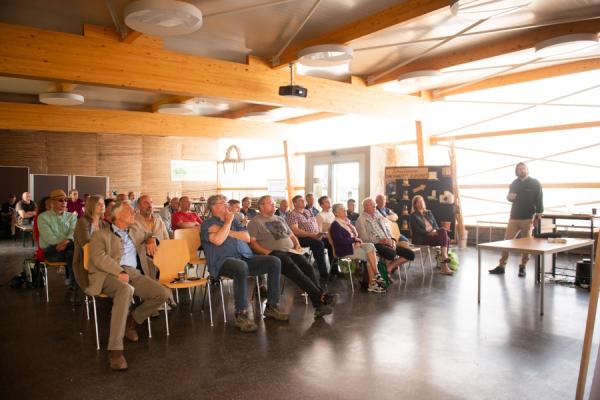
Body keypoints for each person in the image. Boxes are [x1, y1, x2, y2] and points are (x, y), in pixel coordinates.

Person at [87, 200, 171, 371]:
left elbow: (149, 234)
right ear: (117, 215)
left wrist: (152, 239)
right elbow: (98, 257)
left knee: (163, 294)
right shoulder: (100, 234)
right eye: (129, 211)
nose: (133, 213)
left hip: (133, 273)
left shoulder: (134, 230)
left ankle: (132, 321)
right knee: (125, 290)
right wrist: (119, 272)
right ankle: (115, 351)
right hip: (108, 274)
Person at [201, 194, 288, 333]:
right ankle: (241, 314)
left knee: (274, 261)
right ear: (213, 207)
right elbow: (217, 240)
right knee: (240, 267)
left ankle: (272, 306)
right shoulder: (207, 224)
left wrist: (227, 229)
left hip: (245, 257)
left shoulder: (235, 221)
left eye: (226, 202)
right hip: (223, 261)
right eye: (223, 203)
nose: (227, 205)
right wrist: (228, 223)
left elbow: (247, 238)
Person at [248, 195, 337, 318]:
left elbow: (291, 235)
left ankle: (319, 304)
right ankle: (322, 298)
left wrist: (297, 244)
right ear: (261, 206)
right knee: (295, 271)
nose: (274, 205)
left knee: (308, 267)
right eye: (270, 203)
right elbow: (252, 243)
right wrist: (267, 252)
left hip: (290, 250)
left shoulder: (279, 219)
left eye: (274, 203)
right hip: (274, 253)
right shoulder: (255, 222)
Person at [489, 162, 544, 277]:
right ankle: (501, 266)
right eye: (519, 169)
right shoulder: (514, 183)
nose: (522, 170)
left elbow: (539, 200)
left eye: (523, 168)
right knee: (506, 241)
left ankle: (523, 267)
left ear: (527, 170)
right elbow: (510, 197)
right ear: (516, 171)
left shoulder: (535, 183)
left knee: (526, 244)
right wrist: (509, 198)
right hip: (514, 217)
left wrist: (538, 217)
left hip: (528, 218)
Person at [330, 203, 386, 293]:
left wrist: (356, 239)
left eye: (345, 209)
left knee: (371, 246)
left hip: (353, 245)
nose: (345, 211)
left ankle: (376, 276)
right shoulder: (335, 225)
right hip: (344, 250)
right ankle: (373, 282)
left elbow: (356, 235)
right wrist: (354, 240)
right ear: (336, 213)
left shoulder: (346, 222)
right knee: (373, 257)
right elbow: (341, 241)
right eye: (342, 210)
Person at [356, 197, 415, 277]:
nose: (375, 207)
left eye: (374, 205)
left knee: (410, 254)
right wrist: (380, 241)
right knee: (391, 254)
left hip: (388, 241)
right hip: (375, 243)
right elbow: (364, 238)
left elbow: (387, 228)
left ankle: (389, 268)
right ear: (366, 206)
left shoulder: (377, 214)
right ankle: (384, 273)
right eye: (373, 205)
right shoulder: (361, 220)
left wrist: (393, 240)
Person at [38, 189, 78, 289]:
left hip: (68, 250)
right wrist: (68, 239)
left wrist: (67, 241)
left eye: (65, 200)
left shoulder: (71, 217)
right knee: (75, 252)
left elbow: (74, 232)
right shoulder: (42, 217)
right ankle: (74, 283)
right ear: (52, 202)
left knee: (71, 252)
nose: (64, 202)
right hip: (51, 250)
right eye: (60, 200)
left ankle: (73, 284)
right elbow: (50, 239)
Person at [72, 195, 109, 297]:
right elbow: (87, 244)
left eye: (103, 204)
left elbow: (111, 243)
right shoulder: (82, 222)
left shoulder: (105, 224)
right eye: (99, 204)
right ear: (91, 206)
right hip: (85, 263)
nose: (102, 206)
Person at [287, 195, 331, 278]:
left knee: (330, 242)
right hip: (301, 238)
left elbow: (315, 224)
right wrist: (311, 235)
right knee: (318, 244)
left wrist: (319, 233)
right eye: (301, 200)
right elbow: (295, 231)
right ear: (295, 203)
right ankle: (323, 272)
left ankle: (333, 270)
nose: (304, 201)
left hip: (315, 235)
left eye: (304, 200)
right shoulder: (292, 214)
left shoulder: (308, 211)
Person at [409, 195, 453, 276]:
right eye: (419, 201)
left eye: (422, 200)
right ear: (415, 205)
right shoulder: (413, 216)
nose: (421, 202)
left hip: (433, 234)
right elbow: (417, 230)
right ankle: (444, 262)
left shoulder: (428, 212)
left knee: (444, 234)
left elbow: (436, 225)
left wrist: (435, 231)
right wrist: (429, 233)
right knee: (446, 237)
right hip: (422, 238)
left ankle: (444, 262)